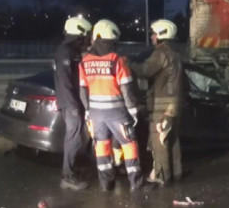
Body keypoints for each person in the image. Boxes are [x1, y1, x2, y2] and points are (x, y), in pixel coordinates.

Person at [78, 19, 143, 191]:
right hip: (117, 113)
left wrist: (88, 112)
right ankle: (136, 183)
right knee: (129, 144)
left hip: (96, 114)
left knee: (102, 146)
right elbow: (126, 89)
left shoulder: (85, 62)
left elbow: (83, 90)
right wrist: (133, 111)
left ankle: (106, 183)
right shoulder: (117, 60)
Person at [130, 19, 184, 185]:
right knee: (172, 139)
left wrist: (129, 64)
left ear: (161, 34)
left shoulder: (160, 54)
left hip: (162, 105)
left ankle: (162, 175)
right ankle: (176, 172)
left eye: (154, 34)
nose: (152, 37)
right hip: (175, 104)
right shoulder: (176, 55)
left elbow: (145, 70)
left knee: (158, 140)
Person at [54, 17, 93, 191]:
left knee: (76, 136)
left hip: (73, 102)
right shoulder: (65, 52)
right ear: (79, 33)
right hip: (71, 104)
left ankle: (70, 170)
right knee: (74, 137)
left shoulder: (70, 51)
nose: (87, 38)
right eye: (86, 35)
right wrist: (74, 105)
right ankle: (68, 176)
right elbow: (65, 82)